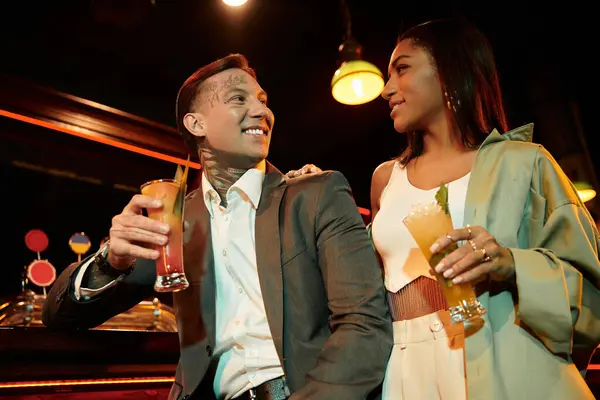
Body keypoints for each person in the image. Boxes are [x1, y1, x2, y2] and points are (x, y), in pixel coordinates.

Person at [42, 54, 393, 400]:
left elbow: (365, 325)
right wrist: (110, 261)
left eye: (263, 101)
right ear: (196, 125)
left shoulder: (314, 195)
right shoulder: (175, 220)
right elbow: (58, 315)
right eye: (238, 99)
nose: (262, 112)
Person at [291, 19, 600, 399]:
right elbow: (361, 295)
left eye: (402, 68)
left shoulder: (525, 163)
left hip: (499, 362)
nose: (386, 90)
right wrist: (314, 203)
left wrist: (510, 263)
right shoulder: (385, 179)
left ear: (450, 73)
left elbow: (588, 289)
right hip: (404, 369)